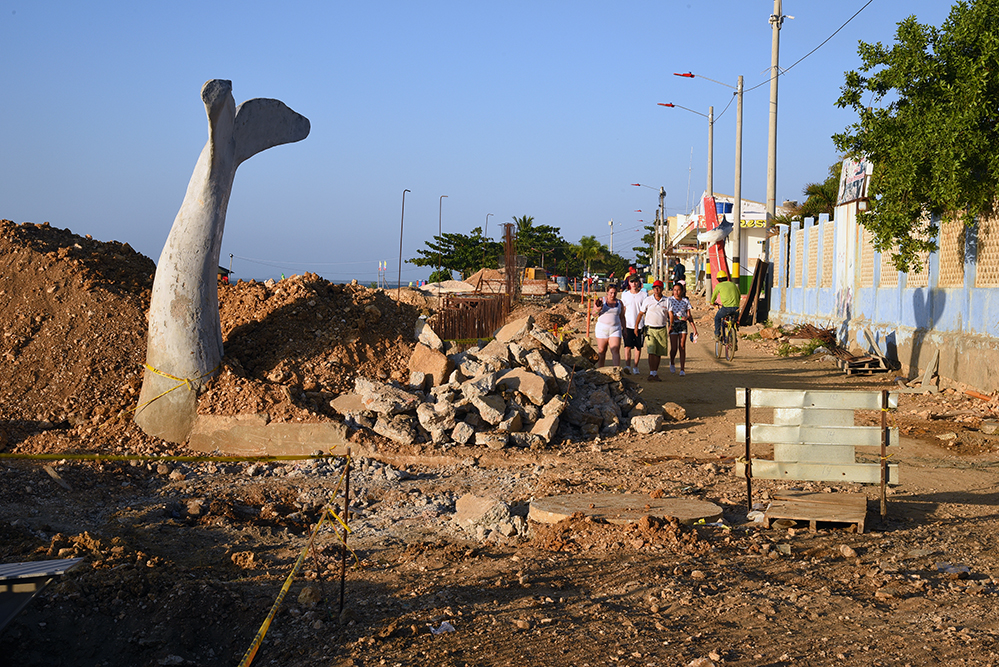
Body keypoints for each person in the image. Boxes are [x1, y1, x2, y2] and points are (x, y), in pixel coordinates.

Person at [637, 280, 669, 381]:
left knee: (658, 352)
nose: (656, 289)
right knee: (651, 351)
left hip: (661, 328)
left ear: (662, 289)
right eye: (655, 287)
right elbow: (641, 313)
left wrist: (671, 325)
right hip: (650, 329)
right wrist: (636, 326)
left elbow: (670, 314)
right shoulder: (648, 300)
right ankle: (651, 372)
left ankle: (655, 372)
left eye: (658, 287)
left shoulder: (667, 301)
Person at [666, 282, 698, 376]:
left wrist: (694, 329)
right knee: (674, 347)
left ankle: (682, 369)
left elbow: (689, 315)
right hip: (673, 324)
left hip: (683, 325)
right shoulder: (669, 300)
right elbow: (669, 315)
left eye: (678, 290)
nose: (676, 292)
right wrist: (678, 318)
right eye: (674, 290)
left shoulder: (685, 301)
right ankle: (672, 361)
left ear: (682, 291)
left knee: (682, 346)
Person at [592, 284, 626, 368]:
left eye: (614, 293)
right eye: (611, 293)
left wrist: (624, 329)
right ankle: (600, 370)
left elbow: (622, 317)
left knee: (615, 350)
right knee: (602, 350)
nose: (613, 295)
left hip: (615, 328)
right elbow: (593, 314)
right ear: (607, 292)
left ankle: (617, 370)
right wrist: (598, 310)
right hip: (602, 328)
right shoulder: (601, 300)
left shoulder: (619, 302)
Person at [619, 274, 647, 375]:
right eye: (632, 282)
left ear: (639, 282)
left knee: (638, 347)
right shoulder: (625, 295)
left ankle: (636, 366)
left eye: (635, 281)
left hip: (640, 325)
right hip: (628, 324)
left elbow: (645, 310)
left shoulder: (644, 295)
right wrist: (621, 322)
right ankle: (628, 366)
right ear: (629, 283)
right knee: (627, 346)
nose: (634, 284)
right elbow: (623, 309)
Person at [711, 270, 741, 340]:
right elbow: (739, 295)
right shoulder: (733, 284)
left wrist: (712, 302)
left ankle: (717, 334)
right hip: (736, 308)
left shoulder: (718, 285)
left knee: (717, 318)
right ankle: (734, 339)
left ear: (718, 279)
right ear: (727, 278)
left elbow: (714, 296)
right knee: (733, 323)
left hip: (726, 308)